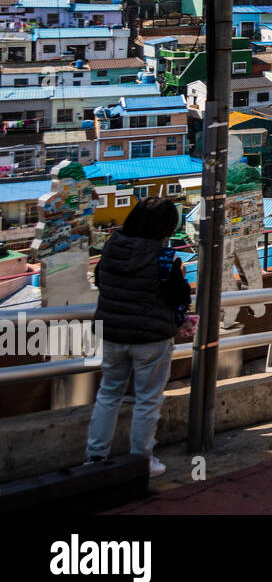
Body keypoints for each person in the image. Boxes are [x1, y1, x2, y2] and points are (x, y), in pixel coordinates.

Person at [84, 196, 190, 478]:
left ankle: (95, 458)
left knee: (108, 393)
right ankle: (141, 461)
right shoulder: (165, 258)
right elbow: (179, 297)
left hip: (112, 333)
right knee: (147, 399)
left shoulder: (110, 248)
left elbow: (99, 280)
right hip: (150, 339)